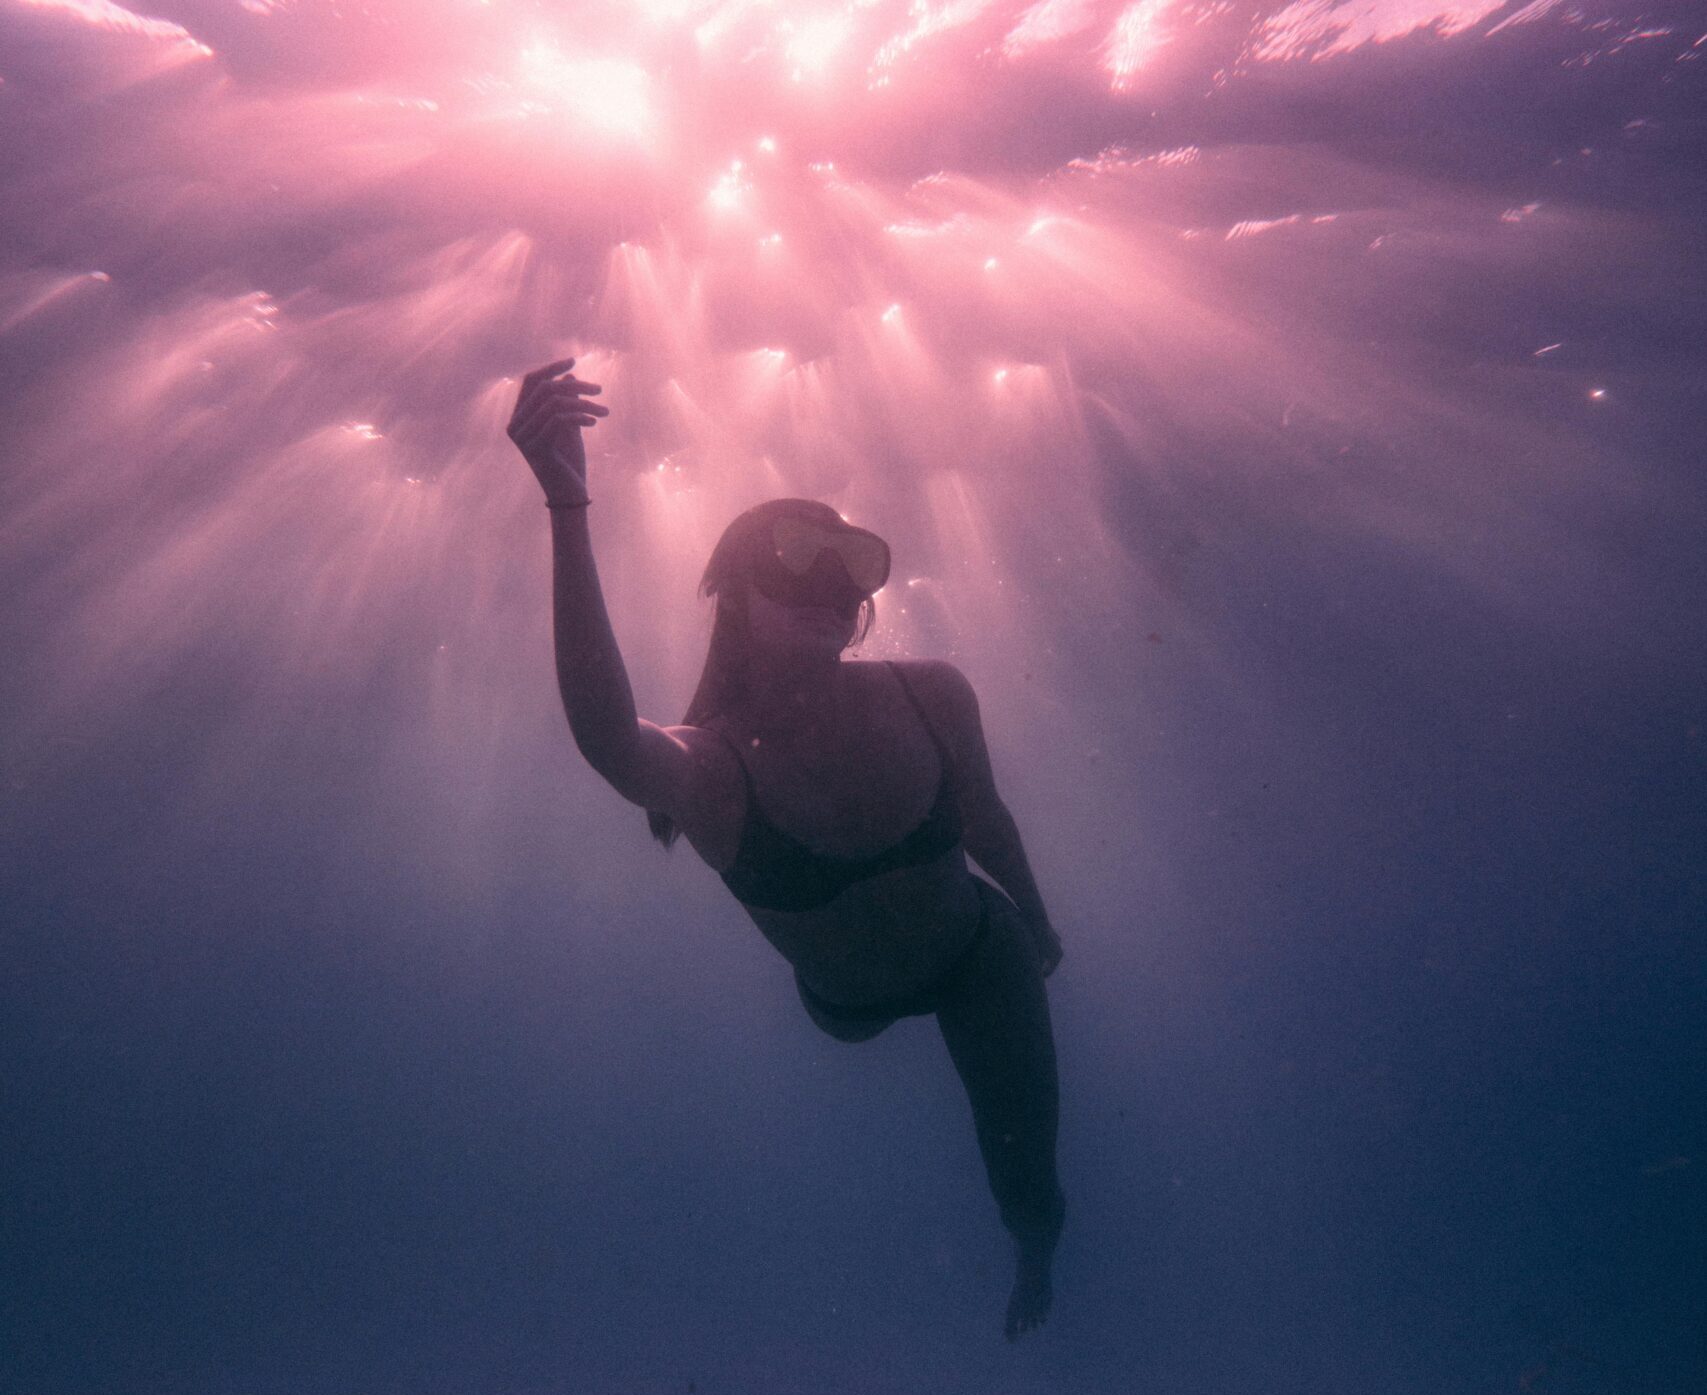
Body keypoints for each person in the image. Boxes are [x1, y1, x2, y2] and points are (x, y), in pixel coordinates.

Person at [506, 357, 1067, 1339]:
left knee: (1025, 1170)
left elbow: (984, 817)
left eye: (850, 565)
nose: (826, 584)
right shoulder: (715, 770)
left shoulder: (933, 693)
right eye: (793, 558)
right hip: (842, 1005)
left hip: (981, 955)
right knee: (895, 1050)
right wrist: (567, 503)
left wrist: (1041, 920)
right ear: (735, 593)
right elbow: (606, 738)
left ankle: (1035, 1262)